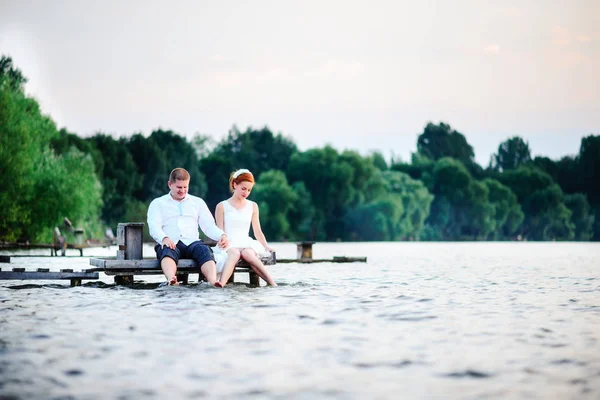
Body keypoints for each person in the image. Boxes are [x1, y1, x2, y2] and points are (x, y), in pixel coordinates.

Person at [147, 168, 229, 286]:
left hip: (192, 242)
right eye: (179, 187)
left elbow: (209, 226)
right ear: (170, 184)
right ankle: (171, 279)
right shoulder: (158, 203)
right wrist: (164, 238)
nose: (183, 190)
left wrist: (221, 235)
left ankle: (213, 282)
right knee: (167, 251)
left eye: (185, 187)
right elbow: (154, 226)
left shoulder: (197, 202)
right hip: (171, 241)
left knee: (204, 251)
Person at [213, 169, 277, 287]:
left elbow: (257, 231)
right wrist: (223, 240)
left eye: (249, 190)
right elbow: (219, 231)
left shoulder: (253, 206)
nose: (246, 192)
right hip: (229, 243)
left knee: (248, 254)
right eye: (243, 189)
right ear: (234, 184)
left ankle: (272, 283)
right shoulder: (222, 206)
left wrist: (266, 246)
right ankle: (221, 283)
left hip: (245, 241)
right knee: (234, 254)